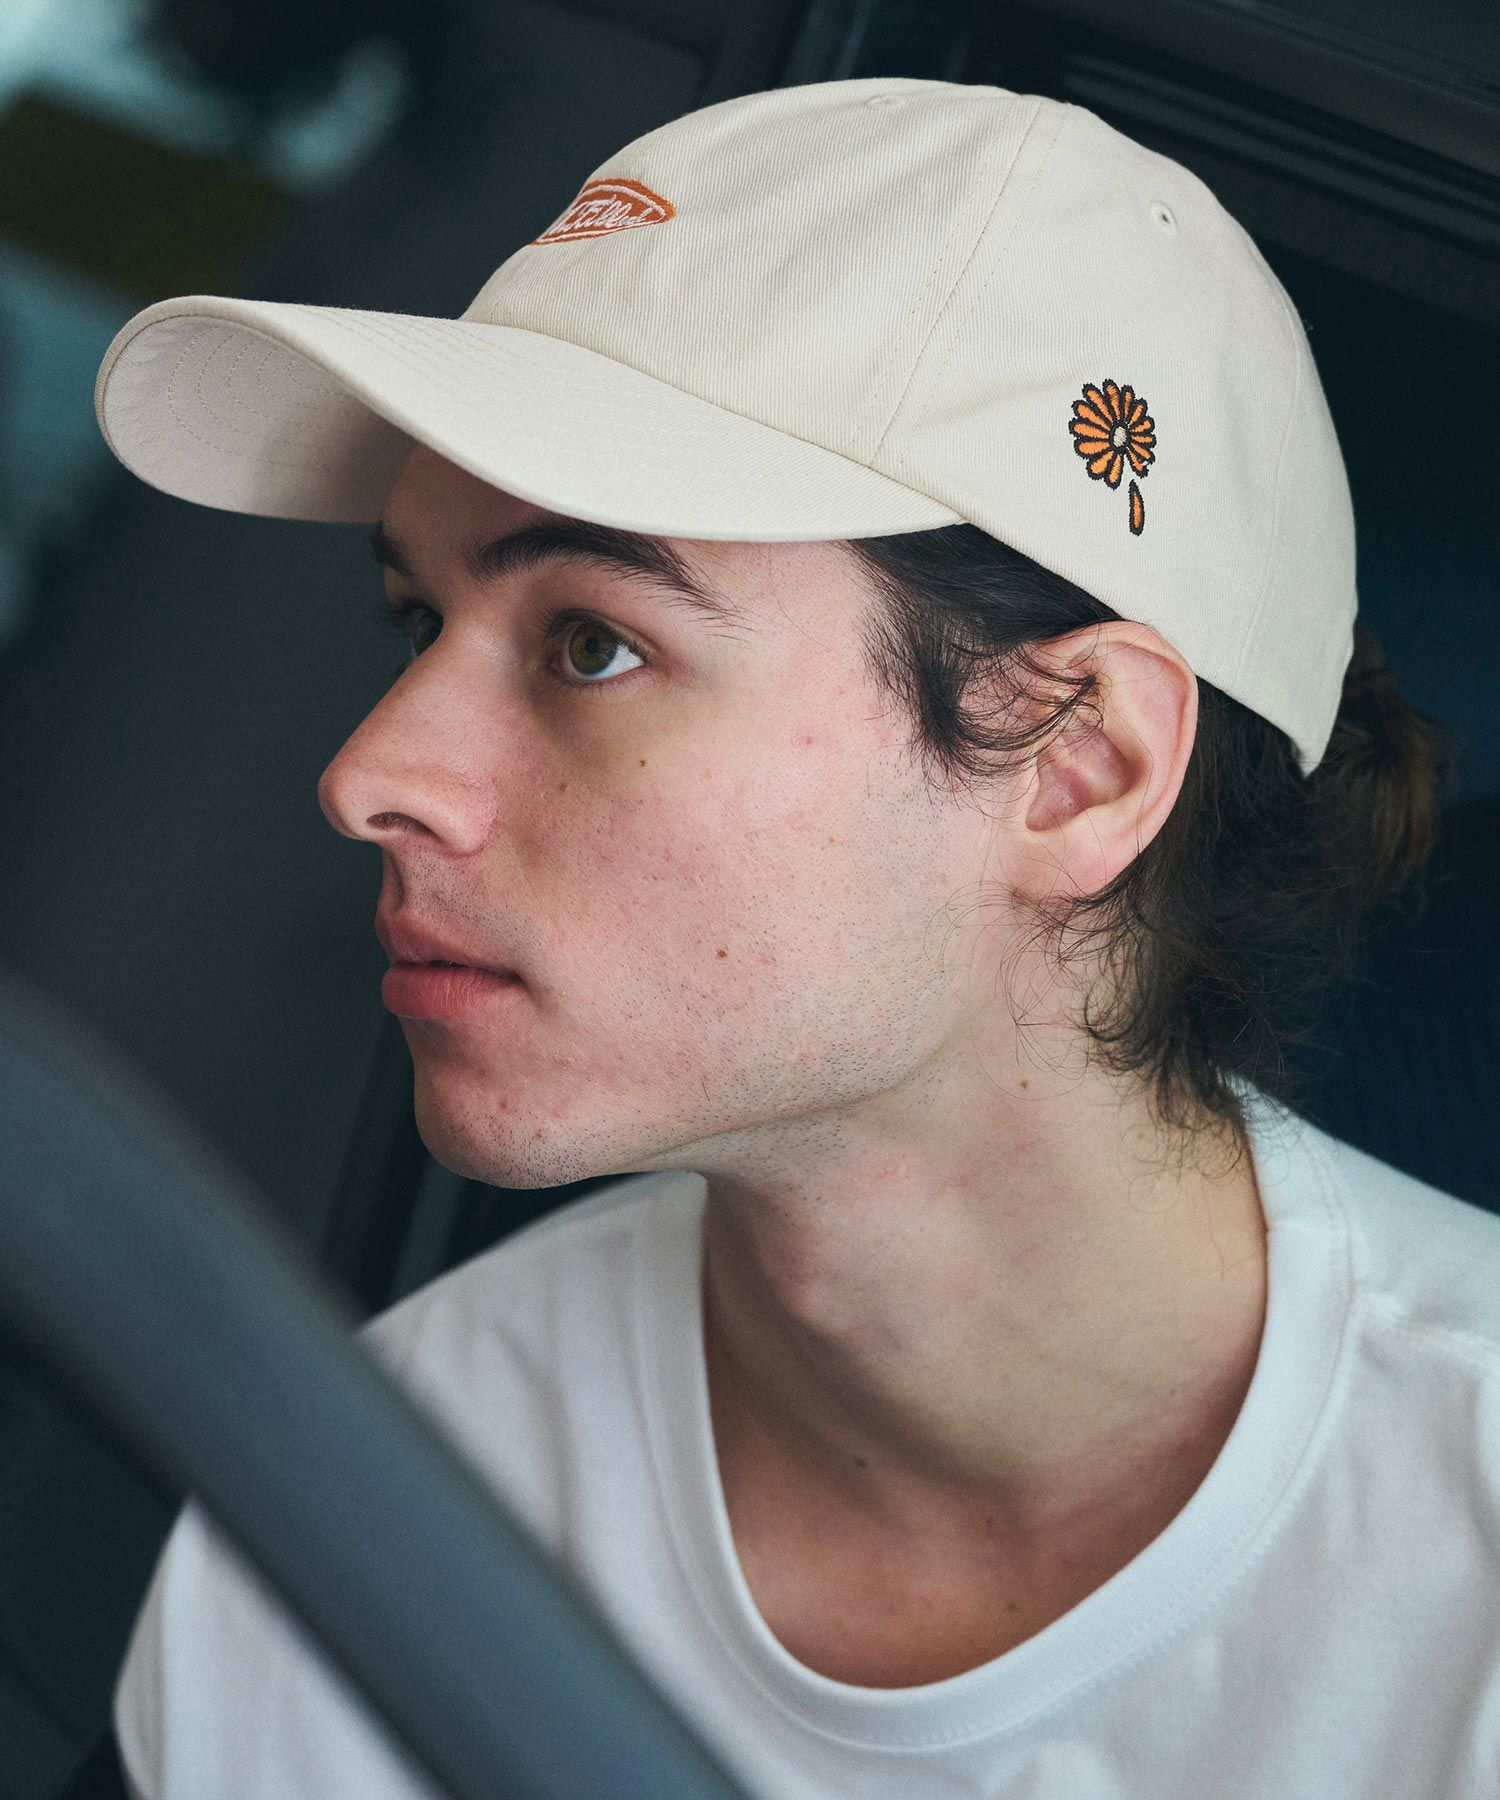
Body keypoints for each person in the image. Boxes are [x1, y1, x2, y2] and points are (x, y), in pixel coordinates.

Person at [94, 76, 1494, 1800]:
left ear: (1082, 767)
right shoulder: (361, 1506)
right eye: (417, 619)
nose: (367, 776)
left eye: (593, 643)